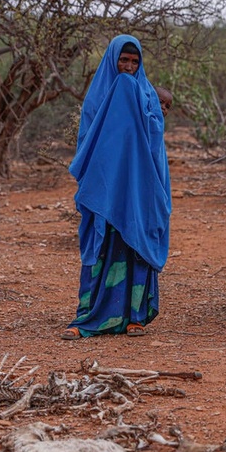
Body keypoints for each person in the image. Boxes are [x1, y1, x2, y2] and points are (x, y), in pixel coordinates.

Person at [61, 35, 172, 340]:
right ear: (113, 59)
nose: (128, 67)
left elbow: (154, 146)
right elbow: (87, 143)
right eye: (123, 60)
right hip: (105, 189)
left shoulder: (148, 96)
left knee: (135, 242)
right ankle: (87, 316)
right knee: (101, 246)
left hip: (138, 190)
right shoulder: (97, 98)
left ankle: (135, 316)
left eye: (135, 62)